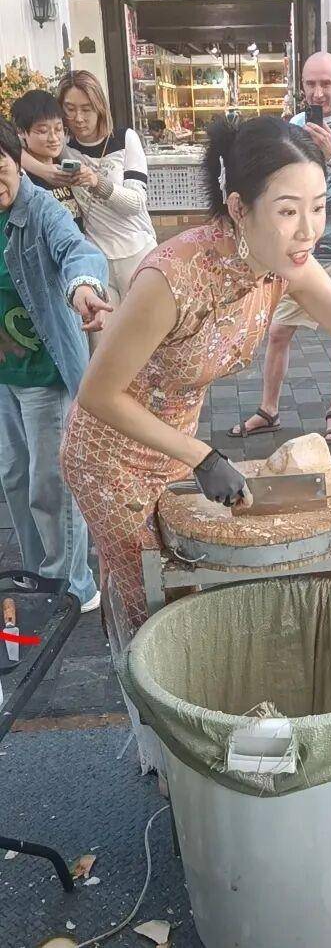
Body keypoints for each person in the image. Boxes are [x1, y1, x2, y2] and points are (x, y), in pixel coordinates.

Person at [60, 115, 331, 771]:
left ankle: (191, 738)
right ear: (240, 208)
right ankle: (164, 755)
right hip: (110, 455)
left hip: (176, 443)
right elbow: (99, 394)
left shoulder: (285, 264)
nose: (309, 230)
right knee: (152, 600)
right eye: (289, 210)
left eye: (318, 207)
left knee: (183, 587)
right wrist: (202, 456)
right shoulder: (173, 276)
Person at [228, 51, 331, 445]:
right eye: (311, 83)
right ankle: (268, 410)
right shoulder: (293, 125)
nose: (318, 92)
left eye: (326, 83)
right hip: (297, 252)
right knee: (278, 331)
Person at [0, 117, 110, 609]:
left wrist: (83, 287)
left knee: (51, 483)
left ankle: (71, 586)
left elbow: (77, 251)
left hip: (45, 373)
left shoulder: (42, 210)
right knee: (14, 476)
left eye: (0, 166)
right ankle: (38, 571)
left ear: (16, 160)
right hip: (4, 376)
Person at [22, 70, 157, 330]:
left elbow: (136, 203)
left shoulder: (124, 139)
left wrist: (97, 182)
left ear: (100, 107)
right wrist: (45, 171)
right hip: (96, 259)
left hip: (137, 250)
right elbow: (15, 148)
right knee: (103, 340)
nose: (79, 118)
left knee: (145, 334)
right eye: (70, 109)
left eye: (86, 109)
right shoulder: (64, 146)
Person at [11, 90, 83, 230]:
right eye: (43, 131)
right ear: (21, 131)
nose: (54, 138)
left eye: (58, 129)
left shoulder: (66, 163)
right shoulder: (21, 177)